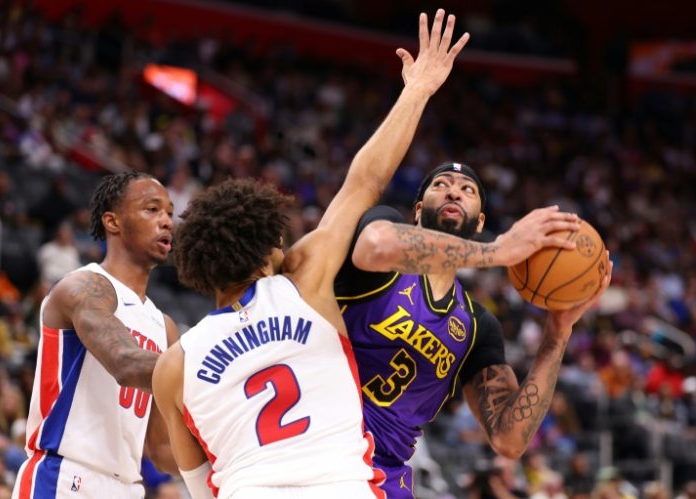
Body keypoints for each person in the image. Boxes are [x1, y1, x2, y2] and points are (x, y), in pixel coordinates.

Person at [152, 9, 470, 499]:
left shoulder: (173, 367)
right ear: (268, 251)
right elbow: (365, 181)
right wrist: (418, 90)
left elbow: (199, 485)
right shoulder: (302, 283)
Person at [334, 153, 612, 497]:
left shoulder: (478, 326)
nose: (453, 192)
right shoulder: (384, 234)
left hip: (385, 475)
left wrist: (557, 336)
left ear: (479, 222)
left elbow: (510, 440)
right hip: (324, 440)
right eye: (441, 185)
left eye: (467, 189)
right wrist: (498, 250)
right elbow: (375, 247)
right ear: (418, 210)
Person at [13, 172, 180, 498]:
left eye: (170, 213)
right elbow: (125, 363)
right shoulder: (84, 286)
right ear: (112, 222)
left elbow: (162, 449)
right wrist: (216, 370)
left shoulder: (165, 327)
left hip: (127, 486)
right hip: (64, 476)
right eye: (152, 209)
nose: (167, 222)